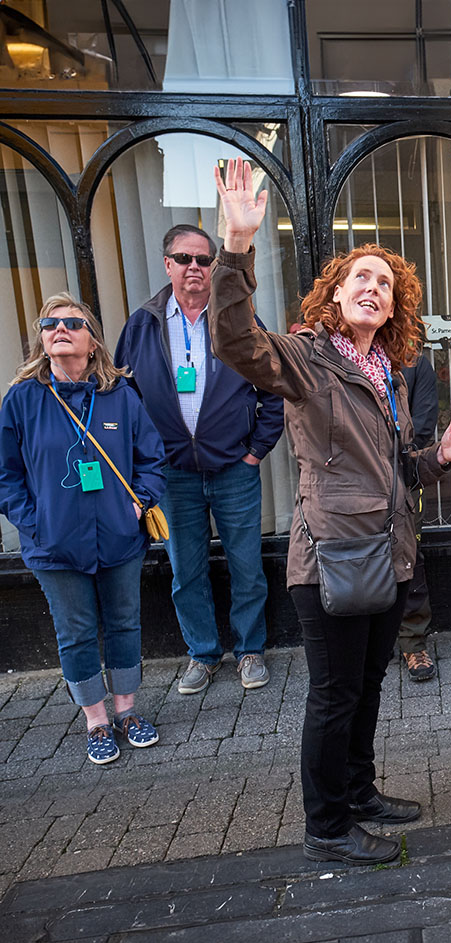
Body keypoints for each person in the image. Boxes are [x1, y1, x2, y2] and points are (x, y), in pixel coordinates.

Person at [210, 157, 451, 866]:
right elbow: (236, 342)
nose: (372, 286)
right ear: (335, 294)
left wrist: (436, 457)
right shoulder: (307, 356)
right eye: (360, 275)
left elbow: (391, 472)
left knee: (366, 684)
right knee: (331, 697)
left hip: (387, 553)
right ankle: (326, 826)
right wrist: (236, 246)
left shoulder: (385, 373)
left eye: (384, 283)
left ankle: (359, 792)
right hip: (330, 554)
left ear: (394, 309)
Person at [115, 223, 284, 696]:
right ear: (167, 264)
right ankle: (203, 654)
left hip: (234, 469)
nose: (195, 267)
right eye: (184, 259)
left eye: (204, 260)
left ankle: (250, 650)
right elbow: (125, 400)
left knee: (246, 565)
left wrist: (255, 454)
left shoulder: (238, 321)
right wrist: (144, 464)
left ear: (213, 267)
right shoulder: (142, 325)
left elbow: (273, 389)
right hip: (172, 476)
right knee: (185, 571)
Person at [0, 295, 165, 764]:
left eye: (73, 323)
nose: (60, 330)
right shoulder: (23, 399)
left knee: (123, 623)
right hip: (53, 546)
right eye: (50, 324)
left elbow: (152, 459)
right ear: (42, 340)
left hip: (119, 538)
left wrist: (138, 506)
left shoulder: (120, 396)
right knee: (74, 632)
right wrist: (34, 523)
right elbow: (5, 474)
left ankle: (127, 712)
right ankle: (96, 720)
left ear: (93, 342)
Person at [398, 350, 440, 681]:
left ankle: (413, 642)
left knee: (409, 556)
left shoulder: (414, 359)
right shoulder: (340, 355)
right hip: (352, 481)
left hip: (402, 473)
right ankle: (370, 642)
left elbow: (423, 423)